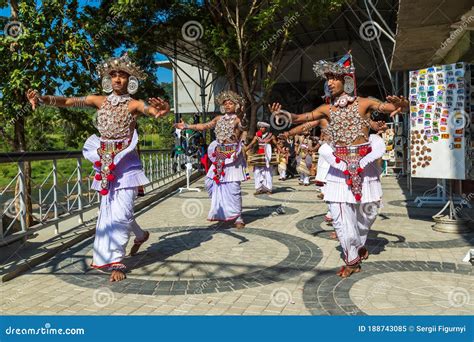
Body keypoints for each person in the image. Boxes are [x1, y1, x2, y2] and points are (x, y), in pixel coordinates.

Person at [26, 53, 171, 282]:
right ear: (108, 79)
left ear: (130, 80)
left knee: (121, 211)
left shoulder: (133, 103)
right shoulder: (98, 101)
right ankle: (140, 235)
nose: (117, 79)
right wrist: (42, 98)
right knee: (111, 210)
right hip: (104, 161)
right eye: (113, 75)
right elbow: (68, 102)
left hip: (126, 163)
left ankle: (117, 260)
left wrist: (160, 111)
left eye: (122, 75)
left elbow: (149, 110)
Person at [270, 52, 408, 277]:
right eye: (327, 79)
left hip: (365, 167)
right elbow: (300, 118)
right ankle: (351, 257)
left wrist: (402, 106)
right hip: (339, 168)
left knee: (369, 211)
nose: (330, 83)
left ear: (347, 81)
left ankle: (358, 243)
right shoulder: (327, 110)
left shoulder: (365, 103)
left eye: (334, 78)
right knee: (340, 216)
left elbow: (389, 108)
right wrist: (282, 114)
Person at [174, 90, 248, 229]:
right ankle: (224, 209)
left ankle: (238, 216)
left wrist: (242, 114)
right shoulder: (218, 118)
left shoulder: (238, 119)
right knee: (210, 183)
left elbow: (244, 126)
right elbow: (204, 126)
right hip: (219, 154)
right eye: (225, 103)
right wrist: (187, 126)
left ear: (236, 105)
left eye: (231, 103)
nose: (227, 105)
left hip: (232, 156)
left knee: (233, 187)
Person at [246, 122, 279, 194]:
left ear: (266, 128)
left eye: (263, 127)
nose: (261, 128)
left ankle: (269, 189)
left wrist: (282, 150)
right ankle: (259, 188)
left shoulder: (271, 136)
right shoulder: (257, 136)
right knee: (257, 172)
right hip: (259, 156)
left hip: (268, 156)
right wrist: (245, 149)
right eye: (260, 127)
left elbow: (276, 144)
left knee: (268, 172)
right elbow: (251, 144)